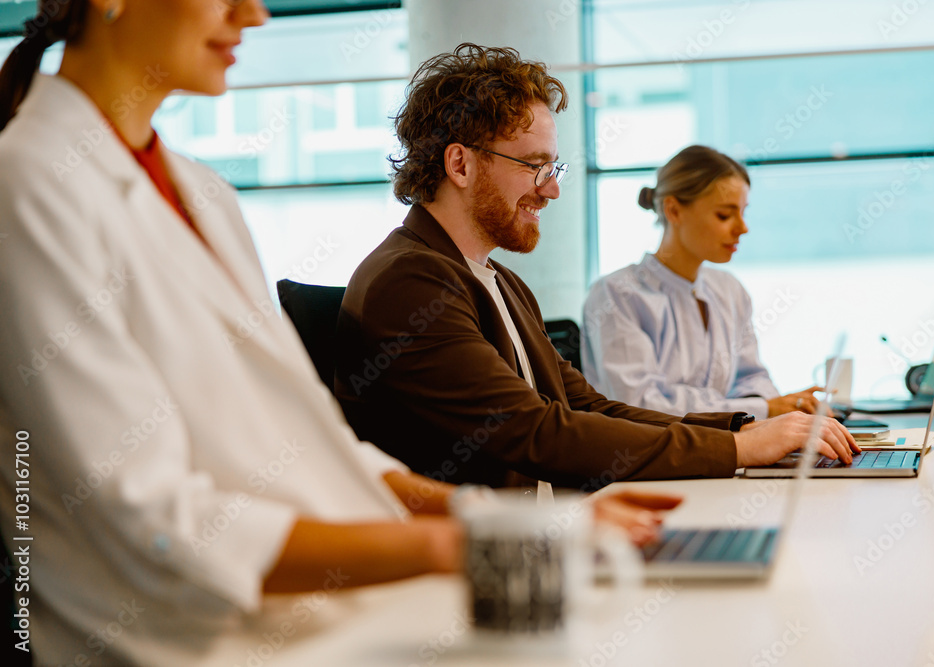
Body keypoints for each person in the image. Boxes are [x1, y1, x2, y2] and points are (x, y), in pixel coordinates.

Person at [0, 4, 673, 665]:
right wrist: (468, 545)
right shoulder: (26, 183)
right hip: (187, 642)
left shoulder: (205, 194)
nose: (254, 15)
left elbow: (311, 448)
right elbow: (150, 516)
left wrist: (499, 523)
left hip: (330, 621)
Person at [333, 45, 857, 492]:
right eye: (535, 166)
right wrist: (738, 446)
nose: (552, 188)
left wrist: (741, 430)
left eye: (552, 167)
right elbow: (537, 432)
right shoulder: (409, 281)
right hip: (478, 562)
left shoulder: (495, 279)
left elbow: (587, 407)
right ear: (460, 165)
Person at [582, 145, 825, 421]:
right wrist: (763, 409)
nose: (742, 228)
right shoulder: (616, 295)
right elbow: (640, 405)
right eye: (724, 215)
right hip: (650, 458)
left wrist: (781, 407)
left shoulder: (730, 290)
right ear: (673, 210)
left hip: (729, 448)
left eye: (743, 212)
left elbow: (752, 378)